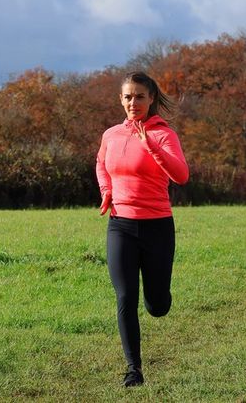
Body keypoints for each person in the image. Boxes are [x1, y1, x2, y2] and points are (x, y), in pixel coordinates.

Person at [95, 71, 190, 387]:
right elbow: (101, 164)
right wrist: (107, 190)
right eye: (127, 96)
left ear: (151, 99)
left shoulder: (164, 135)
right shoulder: (111, 135)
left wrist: (150, 145)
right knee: (125, 296)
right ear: (120, 99)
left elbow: (181, 175)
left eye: (139, 96)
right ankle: (133, 370)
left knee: (157, 305)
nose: (133, 102)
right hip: (120, 225)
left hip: (157, 227)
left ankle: (160, 298)